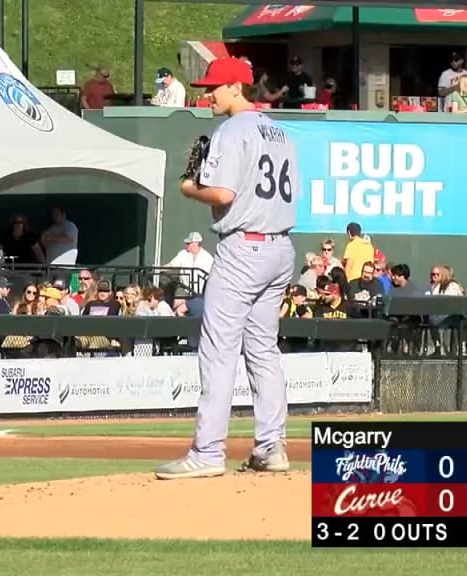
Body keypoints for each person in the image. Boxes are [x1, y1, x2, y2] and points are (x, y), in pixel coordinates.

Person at [154, 57, 298, 480]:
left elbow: (223, 193)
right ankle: (271, 447)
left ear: (237, 86)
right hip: (279, 248)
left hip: (243, 248)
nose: (207, 94)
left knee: (218, 350)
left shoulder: (232, 130)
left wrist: (189, 186)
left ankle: (207, 452)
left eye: (215, 86)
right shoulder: (280, 132)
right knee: (263, 350)